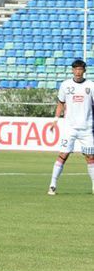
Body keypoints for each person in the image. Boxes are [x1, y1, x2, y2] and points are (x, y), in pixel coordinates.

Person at [47, 59, 94, 195]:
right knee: (63, 154)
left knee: (90, 157)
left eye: (80, 69)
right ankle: (52, 185)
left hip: (87, 128)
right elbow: (61, 103)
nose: (78, 72)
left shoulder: (91, 86)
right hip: (70, 128)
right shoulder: (65, 85)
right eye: (76, 69)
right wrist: (55, 119)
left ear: (84, 71)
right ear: (72, 70)